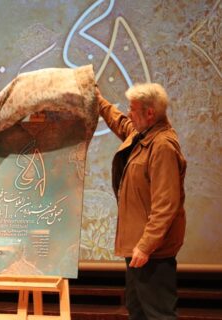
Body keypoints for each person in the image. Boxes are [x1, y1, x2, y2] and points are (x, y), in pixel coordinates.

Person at [97, 83, 187, 319]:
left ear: (150, 113)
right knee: (138, 311)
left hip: (152, 251)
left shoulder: (162, 146)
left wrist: (146, 245)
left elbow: (166, 204)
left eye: (133, 109)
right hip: (140, 247)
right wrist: (97, 100)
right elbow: (121, 122)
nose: (129, 113)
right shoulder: (144, 136)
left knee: (158, 314)